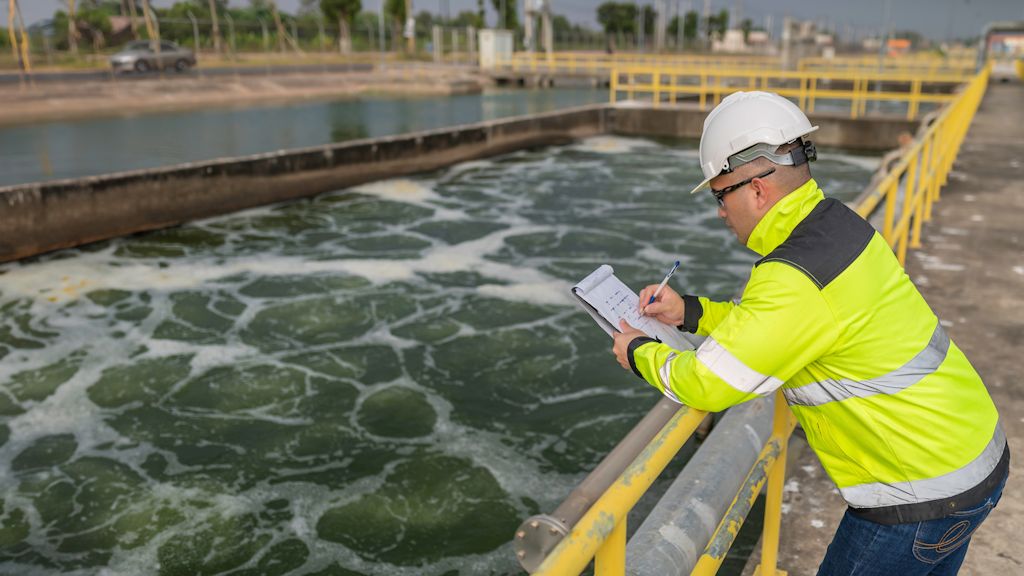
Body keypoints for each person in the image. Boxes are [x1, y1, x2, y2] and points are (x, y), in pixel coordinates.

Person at [610, 91, 1008, 575]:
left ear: (757, 190)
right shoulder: (836, 224)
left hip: (919, 496)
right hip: (973, 460)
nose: (720, 211)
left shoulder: (793, 275)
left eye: (720, 195)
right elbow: (778, 326)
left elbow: (708, 384)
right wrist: (688, 312)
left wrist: (638, 351)